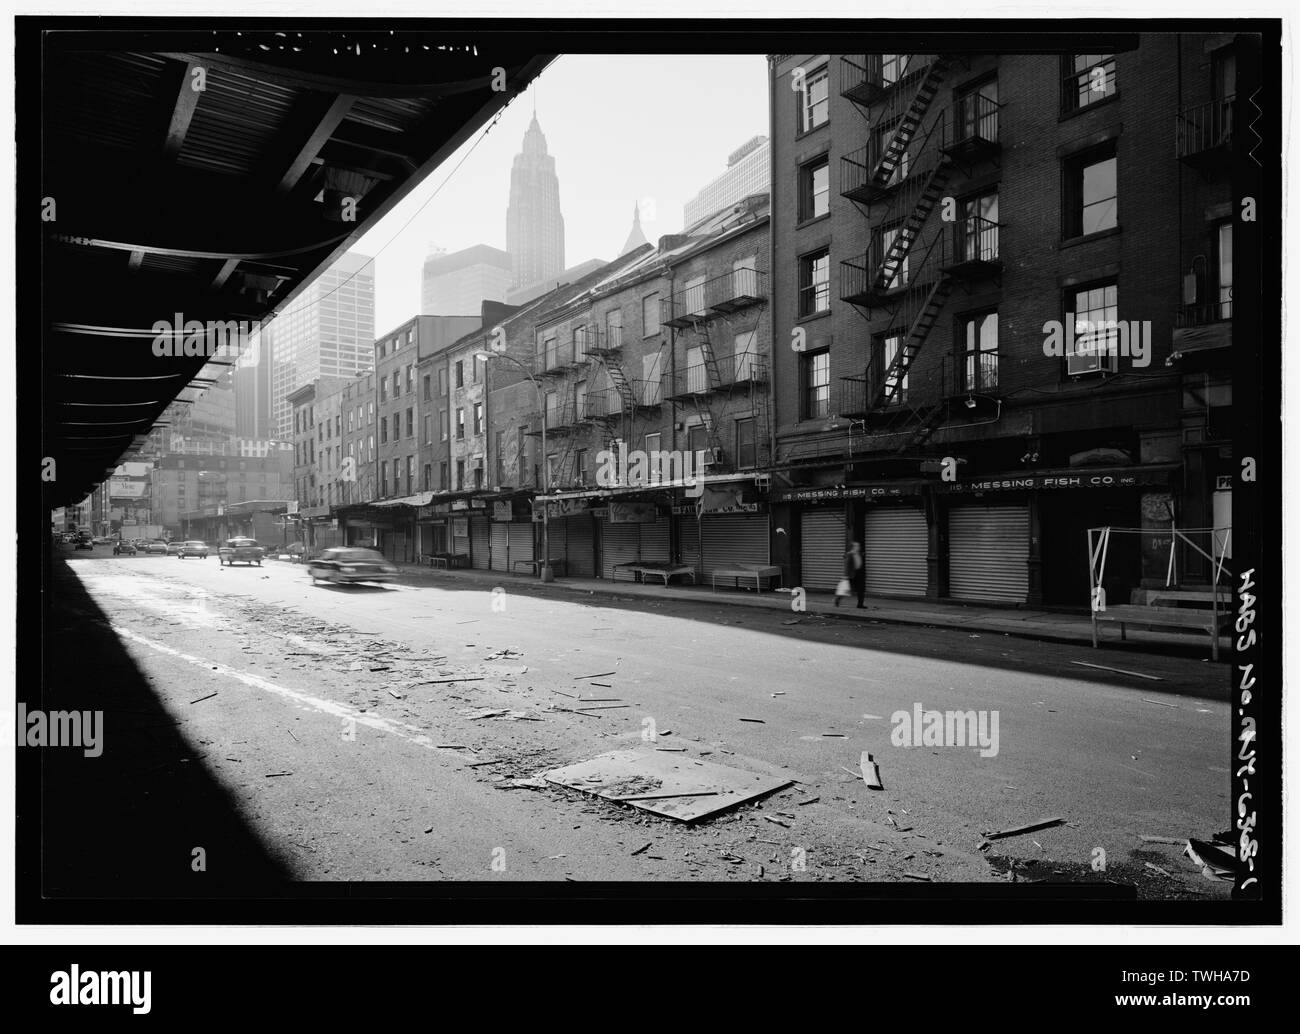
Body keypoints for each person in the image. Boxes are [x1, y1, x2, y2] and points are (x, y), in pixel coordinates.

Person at [837, 541, 865, 608]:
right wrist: (845, 576)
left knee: (861, 590)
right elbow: (846, 566)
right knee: (845, 589)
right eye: (857, 546)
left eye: (859, 546)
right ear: (853, 547)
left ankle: (860, 604)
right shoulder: (849, 554)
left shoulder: (859, 553)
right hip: (851, 575)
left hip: (858, 575)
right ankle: (838, 600)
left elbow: (859, 564)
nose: (859, 547)